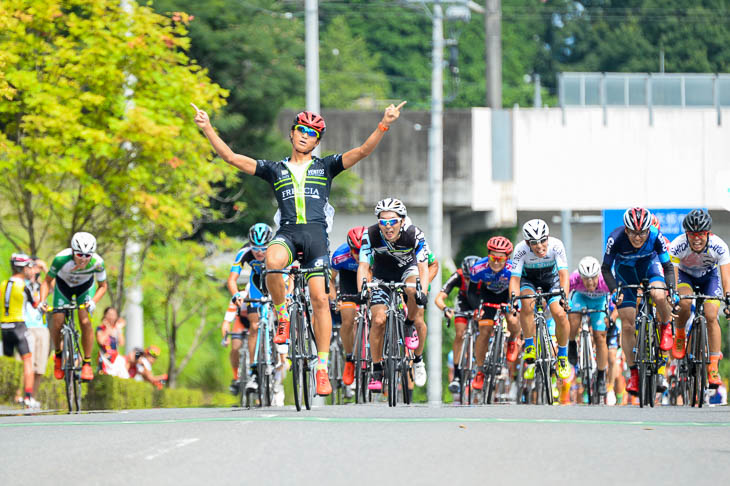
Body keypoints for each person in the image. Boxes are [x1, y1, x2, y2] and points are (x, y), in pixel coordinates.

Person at [194, 101, 406, 396]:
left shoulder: (326, 166)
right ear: (292, 134)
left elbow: (362, 151)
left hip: (316, 237)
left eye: (313, 133)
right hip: (288, 233)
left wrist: (384, 123)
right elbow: (230, 157)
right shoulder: (274, 169)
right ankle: (282, 311)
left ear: (317, 141)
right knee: (272, 259)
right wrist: (207, 128)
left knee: (320, 298)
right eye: (301, 130)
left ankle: (320, 368)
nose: (306, 136)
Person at [601, 207, 677, 396]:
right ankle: (634, 373)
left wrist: (671, 291)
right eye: (633, 233)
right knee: (627, 325)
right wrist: (613, 291)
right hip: (625, 272)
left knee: (658, 295)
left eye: (642, 232)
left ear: (648, 229)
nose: (637, 237)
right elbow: (605, 269)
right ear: (626, 230)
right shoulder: (615, 238)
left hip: (649, 267)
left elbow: (667, 266)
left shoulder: (655, 235)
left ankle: (666, 326)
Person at [357, 198, 430, 391]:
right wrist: (362, 291)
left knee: (413, 290)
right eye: (383, 222)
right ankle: (377, 369)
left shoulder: (414, 234)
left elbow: (423, 268)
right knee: (378, 320)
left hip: (408, 271)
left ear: (402, 221)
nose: (388, 227)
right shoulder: (370, 234)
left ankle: (408, 325)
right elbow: (363, 266)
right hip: (381, 276)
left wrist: (424, 291)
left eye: (393, 221)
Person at [668, 209, 730, 388]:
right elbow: (673, 274)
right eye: (692, 234)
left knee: (711, 316)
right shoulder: (677, 245)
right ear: (686, 234)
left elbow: (726, 277)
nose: (696, 238)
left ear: (708, 233)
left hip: (709, 278)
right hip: (685, 277)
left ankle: (713, 366)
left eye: (701, 234)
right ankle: (680, 335)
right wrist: (673, 295)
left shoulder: (719, 246)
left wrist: (728, 297)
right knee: (685, 301)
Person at [39, 232, 108, 382]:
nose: (83, 258)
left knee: (84, 321)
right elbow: (46, 281)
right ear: (72, 251)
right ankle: (58, 355)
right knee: (57, 321)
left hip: (85, 287)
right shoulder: (60, 259)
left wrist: (94, 301)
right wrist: (42, 300)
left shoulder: (98, 262)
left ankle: (87, 363)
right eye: (79, 254)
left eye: (87, 255)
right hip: (64, 287)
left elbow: (103, 286)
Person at [509, 219, 572, 380]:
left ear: (548, 238)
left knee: (559, 314)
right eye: (534, 242)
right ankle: (530, 345)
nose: (539, 246)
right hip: (528, 280)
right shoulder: (520, 250)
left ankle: (562, 357)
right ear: (527, 242)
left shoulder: (557, 245)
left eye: (543, 240)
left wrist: (564, 297)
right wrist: (513, 300)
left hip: (551, 281)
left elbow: (564, 275)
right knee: (526, 305)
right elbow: (515, 280)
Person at [223, 223, 273, 394]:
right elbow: (232, 279)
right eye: (255, 248)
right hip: (256, 284)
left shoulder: (277, 250)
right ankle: (253, 370)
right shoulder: (244, 252)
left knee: (282, 311)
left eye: (264, 248)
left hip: (275, 280)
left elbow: (289, 276)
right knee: (254, 326)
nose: (259, 252)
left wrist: (287, 295)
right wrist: (236, 294)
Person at [468, 236, 522, 391]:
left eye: (500, 259)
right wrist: (477, 307)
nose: (496, 262)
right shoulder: (479, 267)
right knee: (484, 332)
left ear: (508, 258)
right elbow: (472, 292)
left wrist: (514, 304)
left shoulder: (513, 269)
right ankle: (479, 370)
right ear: (487, 255)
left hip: (507, 294)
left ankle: (512, 340)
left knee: (512, 320)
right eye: (493, 258)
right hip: (488, 297)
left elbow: (517, 288)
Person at [435, 255, 482, 394]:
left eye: (471, 278)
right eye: (466, 278)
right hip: (464, 303)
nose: (468, 281)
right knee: (460, 334)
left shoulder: (484, 275)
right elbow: (439, 298)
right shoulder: (458, 275)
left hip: (481, 302)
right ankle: (457, 374)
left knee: (485, 330)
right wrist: (445, 309)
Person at [567, 256, 611, 396]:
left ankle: (601, 376)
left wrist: (612, 316)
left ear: (598, 275)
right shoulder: (574, 278)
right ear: (580, 276)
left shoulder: (606, 280)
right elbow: (563, 292)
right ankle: (572, 343)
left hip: (600, 302)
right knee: (573, 319)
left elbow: (617, 299)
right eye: (586, 278)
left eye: (593, 278)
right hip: (581, 298)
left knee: (600, 338)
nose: (590, 282)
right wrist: (565, 304)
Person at [329, 226, 366, 389]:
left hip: (369, 279)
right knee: (347, 319)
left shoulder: (376, 253)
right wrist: (335, 299)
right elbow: (330, 280)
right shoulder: (339, 256)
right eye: (355, 251)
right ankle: (350, 358)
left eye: (362, 251)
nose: (358, 255)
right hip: (348, 284)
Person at [1, 254, 39, 408]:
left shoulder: (3, 284)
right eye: (29, 267)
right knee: (27, 360)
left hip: (4, 326)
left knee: (8, 361)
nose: (30, 270)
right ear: (23, 269)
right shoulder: (23, 285)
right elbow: (35, 303)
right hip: (19, 326)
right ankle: (28, 396)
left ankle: (7, 395)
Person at [25, 257, 49, 403]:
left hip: (42, 328)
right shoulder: (24, 284)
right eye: (34, 267)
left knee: (40, 367)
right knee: (27, 365)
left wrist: (45, 267)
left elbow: (54, 285)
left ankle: (32, 398)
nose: (36, 270)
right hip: (27, 326)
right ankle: (20, 397)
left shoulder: (43, 287)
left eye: (38, 268)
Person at [96, 307, 128, 378]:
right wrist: (107, 328)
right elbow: (101, 341)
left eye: (113, 314)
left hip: (115, 358)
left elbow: (122, 343)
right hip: (105, 358)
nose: (111, 317)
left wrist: (119, 329)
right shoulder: (100, 329)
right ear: (105, 315)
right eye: (109, 314)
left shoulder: (116, 329)